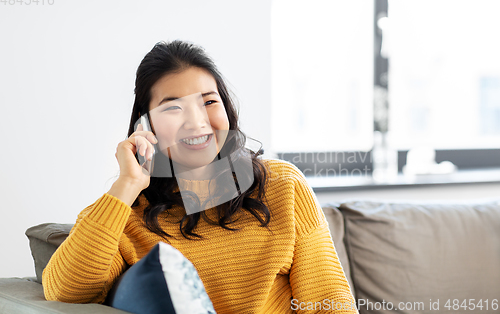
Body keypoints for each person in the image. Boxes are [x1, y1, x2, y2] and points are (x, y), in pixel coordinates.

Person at [42, 40, 358, 313]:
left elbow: (328, 302)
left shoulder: (282, 184)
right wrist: (126, 185)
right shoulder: (125, 215)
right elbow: (65, 291)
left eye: (208, 101)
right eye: (173, 109)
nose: (196, 122)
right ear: (146, 126)